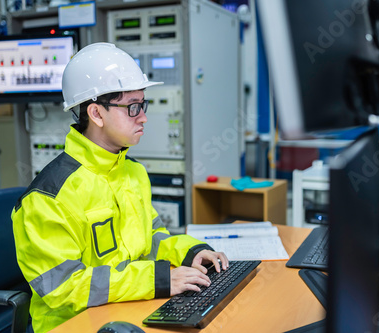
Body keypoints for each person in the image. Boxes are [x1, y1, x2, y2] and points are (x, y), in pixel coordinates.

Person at [11, 43, 229, 333]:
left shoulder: (133, 172)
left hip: (130, 309)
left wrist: (191, 252)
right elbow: (63, 288)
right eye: (133, 108)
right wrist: (158, 279)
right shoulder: (48, 197)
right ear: (97, 114)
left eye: (143, 104)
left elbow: (152, 239)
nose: (144, 117)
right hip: (74, 325)